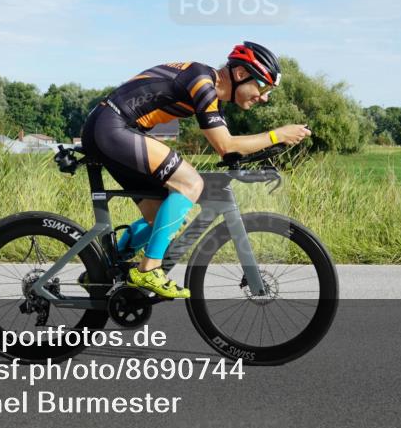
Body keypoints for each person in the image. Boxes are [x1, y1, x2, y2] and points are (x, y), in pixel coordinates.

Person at [81, 42, 310, 299]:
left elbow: (229, 151)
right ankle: (149, 270)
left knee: (163, 218)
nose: (264, 97)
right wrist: (277, 135)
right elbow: (225, 145)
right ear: (241, 74)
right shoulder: (202, 84)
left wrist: (262, 163)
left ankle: (103, 269)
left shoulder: (210, 94)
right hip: (113, 127)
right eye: (263, 86)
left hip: (111, 128)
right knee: (190, 183)